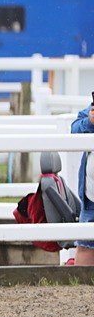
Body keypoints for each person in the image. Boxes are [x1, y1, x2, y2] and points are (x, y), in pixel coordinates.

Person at [69, 104, 94, 265]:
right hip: (91, 196)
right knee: (86, 245)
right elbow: (74, 130)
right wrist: (90, 122)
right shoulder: (90, 110)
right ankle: (81, 287)